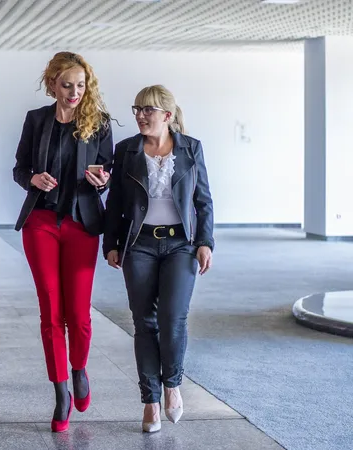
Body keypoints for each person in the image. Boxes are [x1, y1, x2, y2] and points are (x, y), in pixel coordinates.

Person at [103, 85, 214, 433]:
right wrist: (111, 243)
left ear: (167, 115)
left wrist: (205, 242)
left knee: (172, 318)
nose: (140, 115)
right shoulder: (127, 150)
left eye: (148, 110)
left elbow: (203, 201)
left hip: (181, 245)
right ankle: (150, 401)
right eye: (137, 109)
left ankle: (172, 384)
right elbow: (115, 202)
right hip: (139, 245)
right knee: (144, 322)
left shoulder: (191, 148)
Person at [12, 51, 113, 433]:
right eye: (67, 85)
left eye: (80, 86)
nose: (74, 92)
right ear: (52, 83)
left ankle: (79, 369)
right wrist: (32, 179)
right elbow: (20, 168)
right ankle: (61, 392)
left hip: (81, 223)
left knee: (79, 315)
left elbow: (107, 172)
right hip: (41, 222)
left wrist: (102, 180)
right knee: (51, 312)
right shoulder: (36, 119)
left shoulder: (99, 123)